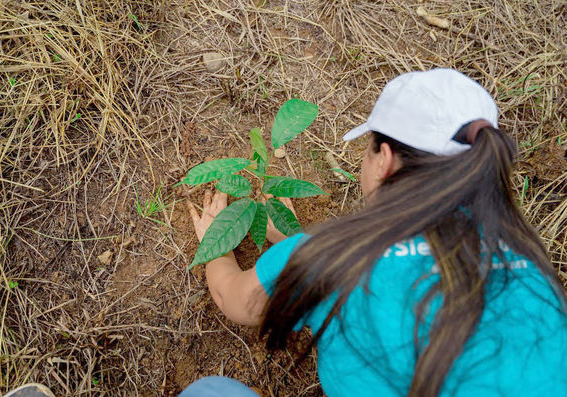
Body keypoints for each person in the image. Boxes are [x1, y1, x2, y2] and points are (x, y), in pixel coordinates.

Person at [185, 68, 567, 397]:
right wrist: (299, 248)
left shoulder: (333, 263)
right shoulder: (533, 268)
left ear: (383, 160)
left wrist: (216, 245)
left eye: (368, 150)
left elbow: (231, 296)